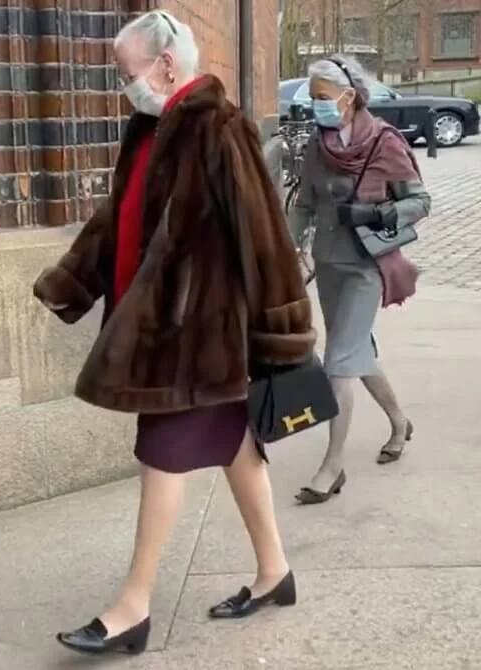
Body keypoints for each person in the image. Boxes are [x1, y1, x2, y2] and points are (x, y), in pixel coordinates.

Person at [33, 10, 315, 656]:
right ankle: (275, 572)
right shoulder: (150, 128)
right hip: (165, 326)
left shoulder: (219, 129)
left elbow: (264, 234)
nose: (123, 86)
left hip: (193, 333)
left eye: (126, 73)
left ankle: (132, 606)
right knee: (235, 446)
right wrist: (73, 281)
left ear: (164, 65)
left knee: (161, 454)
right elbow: (119, 217)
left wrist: (283, 334)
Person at [288, 55, 431, 505]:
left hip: (368, 265)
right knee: (357, 354)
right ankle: (399, 422)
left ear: (349, 97)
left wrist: (382, 211)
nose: (317, 107)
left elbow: (421, 200)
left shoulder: (384, 142)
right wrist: (288, 248)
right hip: (329, 264)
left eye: (323, 98)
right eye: (312, 99)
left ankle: (332, 467)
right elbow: (304, 204)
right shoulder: (318, 144)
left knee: (339, 362)